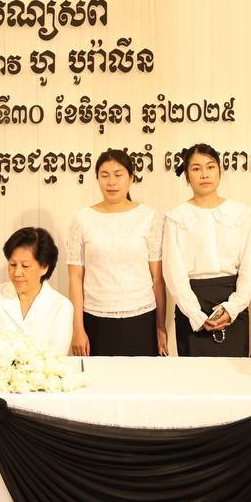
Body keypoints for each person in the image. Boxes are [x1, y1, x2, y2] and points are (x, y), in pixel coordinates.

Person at [67, 149, 166, 356]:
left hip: (141, 317)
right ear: (97, 178)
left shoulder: (149, 217)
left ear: (131, 177)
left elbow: (157, 277)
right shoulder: (82, 219)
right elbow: (75, 277)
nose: (111, 182)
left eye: (118, 175)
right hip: (95, 318)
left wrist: (160, 326)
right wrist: (77, 329)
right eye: (104, 175)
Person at [162, 144, 251, 356]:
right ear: (187, 176)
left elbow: (249, 265)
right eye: (196, 169)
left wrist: (233, 307)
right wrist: (195, 314)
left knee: (235, 372)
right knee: (196, 375)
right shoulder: (175, 217)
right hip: (192, 304)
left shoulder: (240, 212)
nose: (204, 174)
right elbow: (173, 273)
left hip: (233, 302)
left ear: (219, 170)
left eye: (210, 167)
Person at [0, 227, 73, 355]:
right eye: (12, 264)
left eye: (25, 266)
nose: (17, 273)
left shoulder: (62, 307)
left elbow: (56, 357)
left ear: (44, 267)